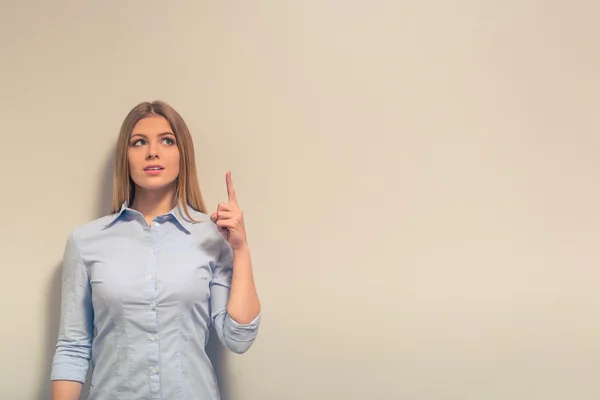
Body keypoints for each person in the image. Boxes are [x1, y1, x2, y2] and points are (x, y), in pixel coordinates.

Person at [50, 100, 262, 400]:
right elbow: (72, 347)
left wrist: (240, 249)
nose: (153, 151)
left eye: (167, 140)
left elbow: (238, 337)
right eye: (139, 142)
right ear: (126, 156)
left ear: (182, 154)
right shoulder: (85, 241)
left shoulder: (214, 237)